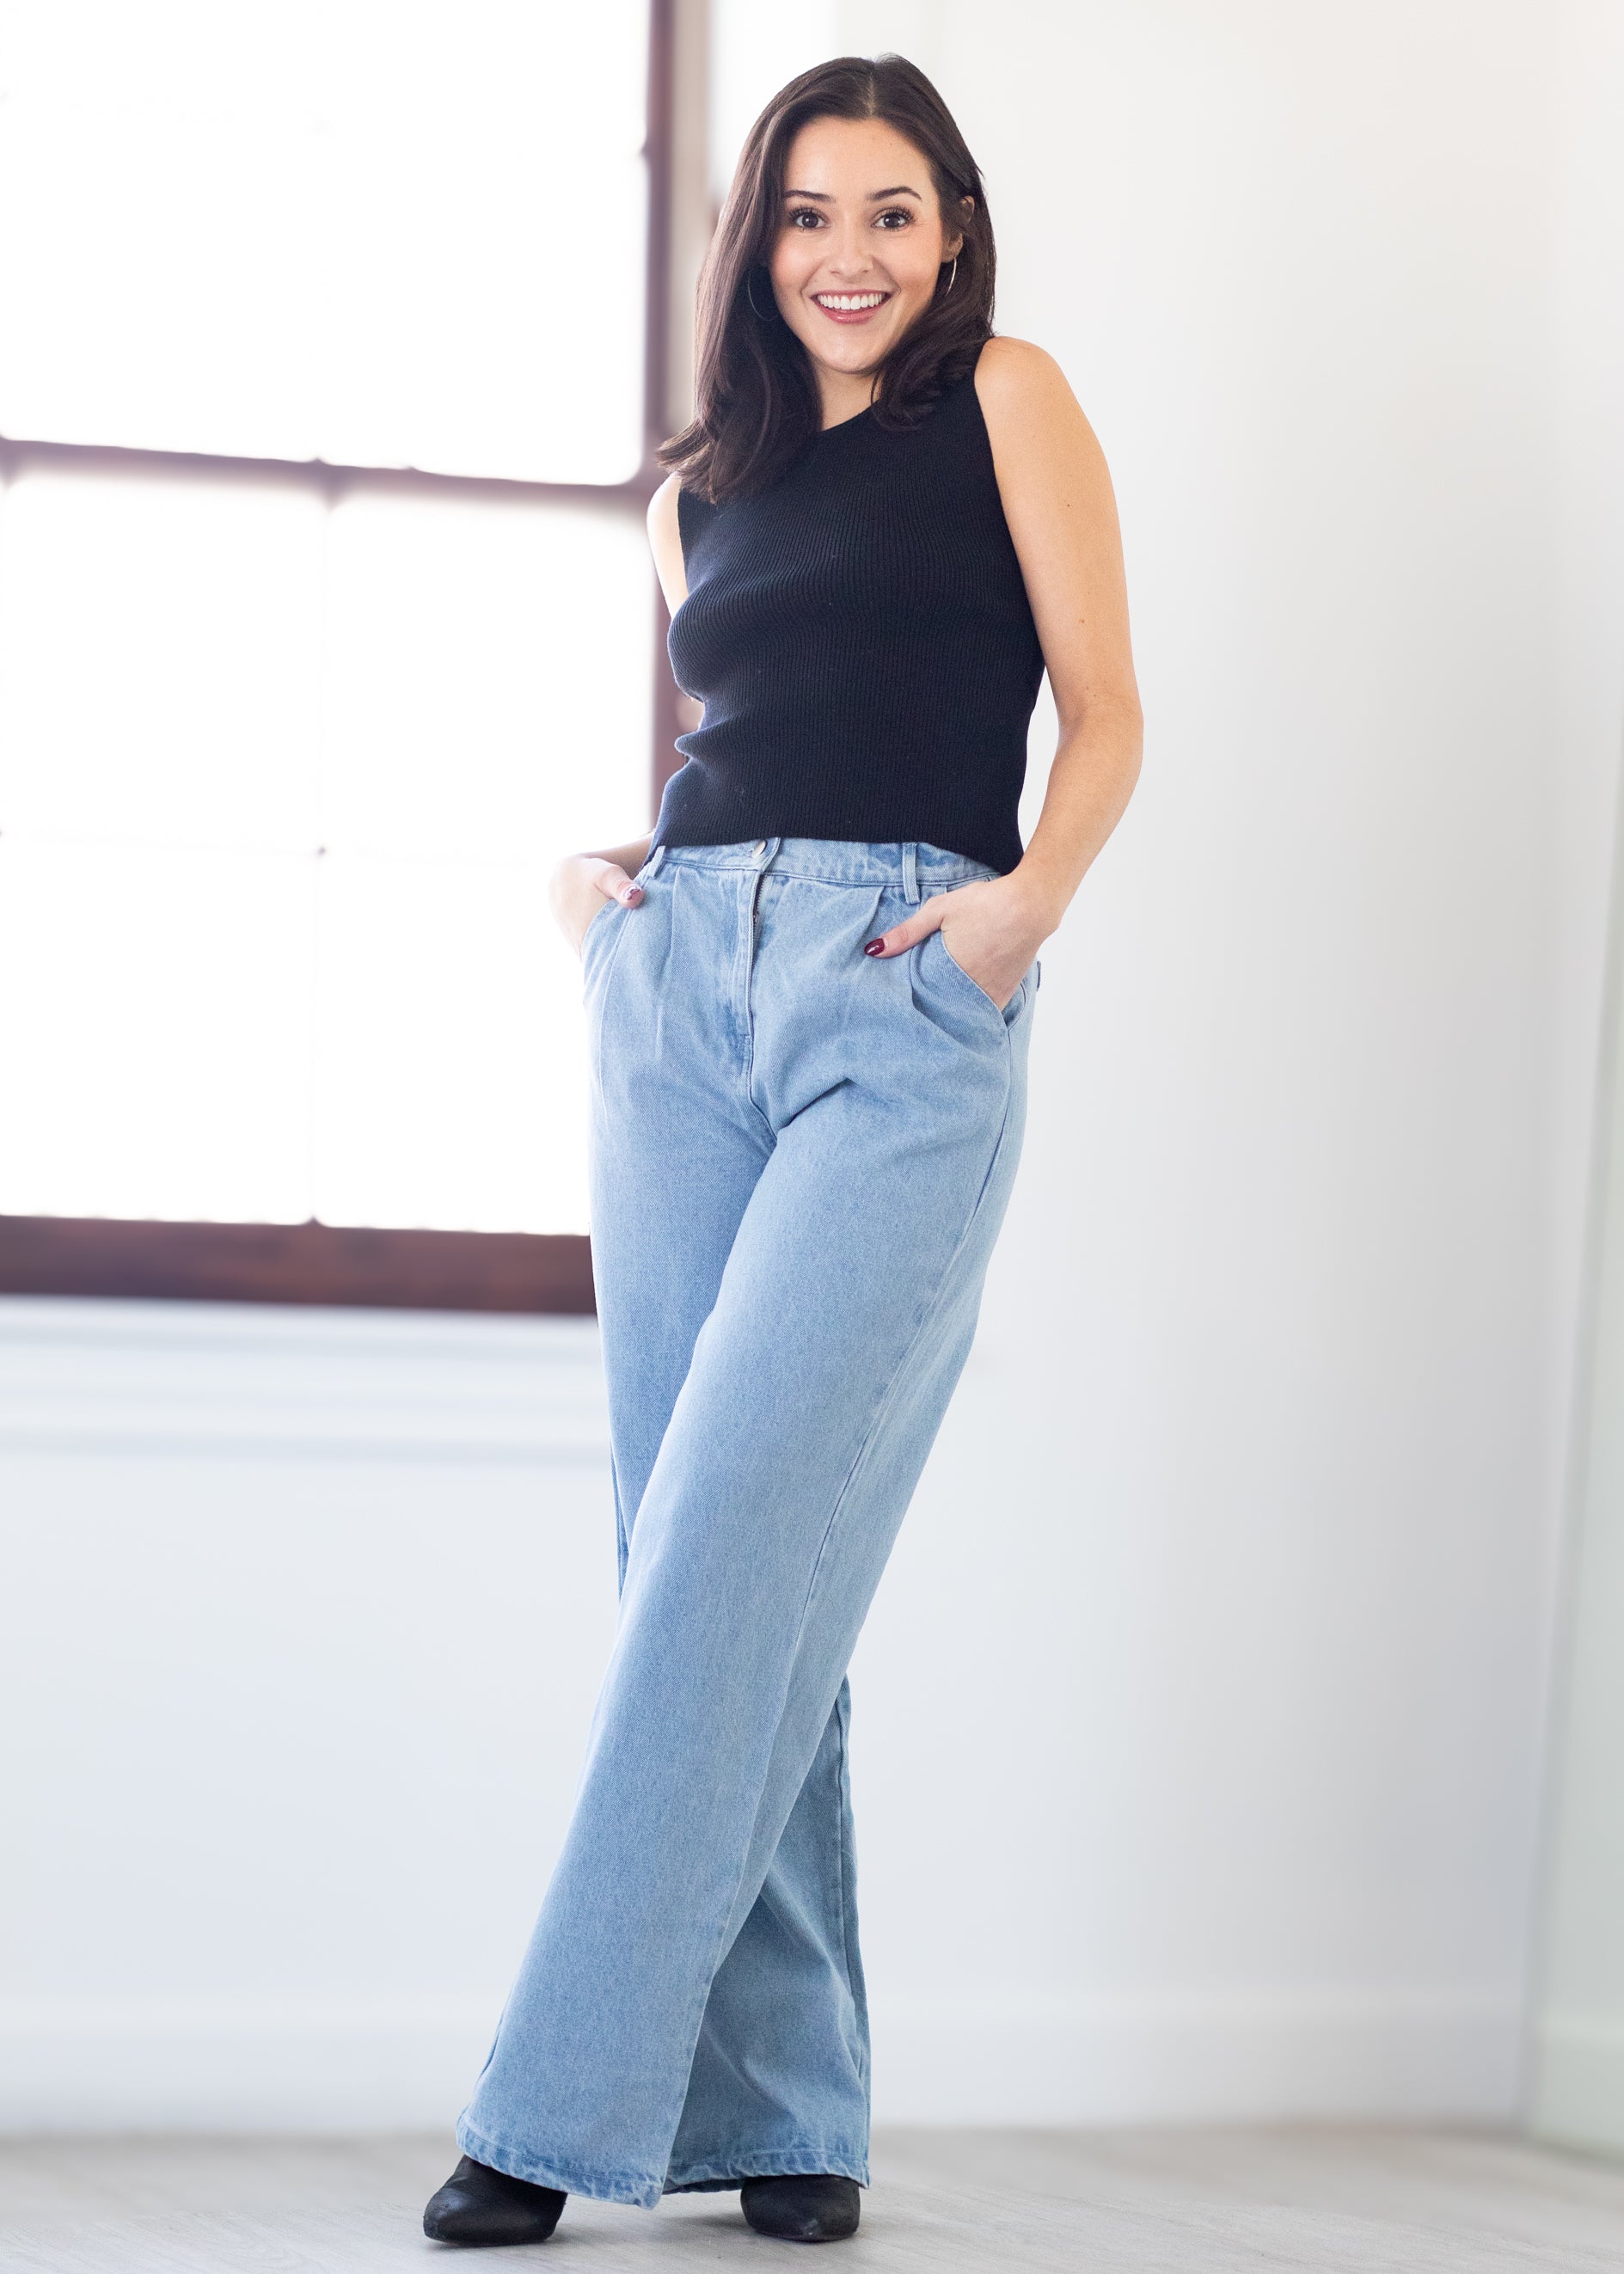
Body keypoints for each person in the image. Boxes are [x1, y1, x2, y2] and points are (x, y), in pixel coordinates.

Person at [424, 51, 1141, 2250]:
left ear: (953, 233)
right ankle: (789, 2109)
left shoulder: (1006, 396)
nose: (853, 256)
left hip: (902, 1000)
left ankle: (546, 2111)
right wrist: (598, 906)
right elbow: (741, 740)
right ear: (761, 243)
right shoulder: (699, 490)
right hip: (677, 1002)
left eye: (895, 213)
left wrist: (1020, 913)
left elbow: (1109, 711)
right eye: (813, 215)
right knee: (720, 1566)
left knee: (734, 1536)